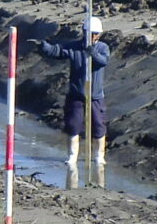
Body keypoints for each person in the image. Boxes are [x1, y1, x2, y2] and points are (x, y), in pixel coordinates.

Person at [46, 17, 110, 188]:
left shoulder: (103, 47)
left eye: (96, 34)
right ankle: (72, 157)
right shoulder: (74, 46)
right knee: (73, 126)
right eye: (90, 33)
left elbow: (103, 61)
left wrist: (93, 52)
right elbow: (57, 51)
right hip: (76, 95)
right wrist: (43, 47)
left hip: (95, 96)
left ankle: (99, 157)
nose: (93, 37)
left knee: (98, 127)